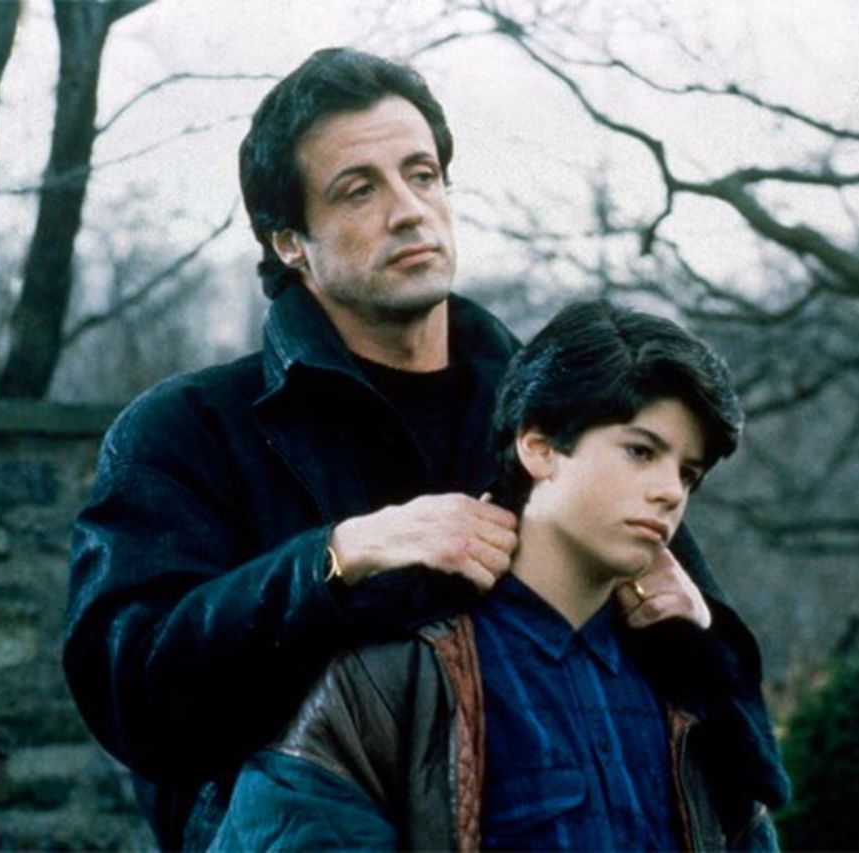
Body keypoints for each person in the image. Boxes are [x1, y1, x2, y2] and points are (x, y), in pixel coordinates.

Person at [62, 48, 772, 850]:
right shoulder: (187, 430)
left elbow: (737, 760)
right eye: (359, 189)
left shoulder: (568, 415)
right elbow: (133, 695)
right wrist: (335, 560)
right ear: (289, 241)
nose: (408, 211)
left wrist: (703, 641)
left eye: (422, 175)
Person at [214, 300, 789, 851]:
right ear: (539, 446)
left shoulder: (691, 692)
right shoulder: (394, 676)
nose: (669, 492)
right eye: (641, 451)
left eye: (688, 473)